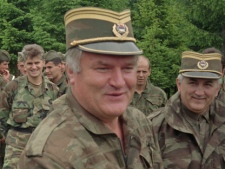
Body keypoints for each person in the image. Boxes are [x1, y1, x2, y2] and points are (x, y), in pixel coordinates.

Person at [18, 7, 162, 169]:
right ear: (71, 72)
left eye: (127, 68)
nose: (119, 82)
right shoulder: (48, 156)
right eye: (103, 68)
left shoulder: (139, 120)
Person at [149, 51, 225, 169]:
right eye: (193, 83)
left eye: (208, 85)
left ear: (217, 89)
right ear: (179, 84)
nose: (199, 92)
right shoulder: (154, 126)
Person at [0, 44, 59, 168]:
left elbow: (57, 119)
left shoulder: (53, 90)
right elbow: (2, 114)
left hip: (42, 146)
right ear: (24, 65)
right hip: (16, 145)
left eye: (37, 63)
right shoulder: (13, 87)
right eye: (30, 63)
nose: (34, 67)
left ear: (43, 63)